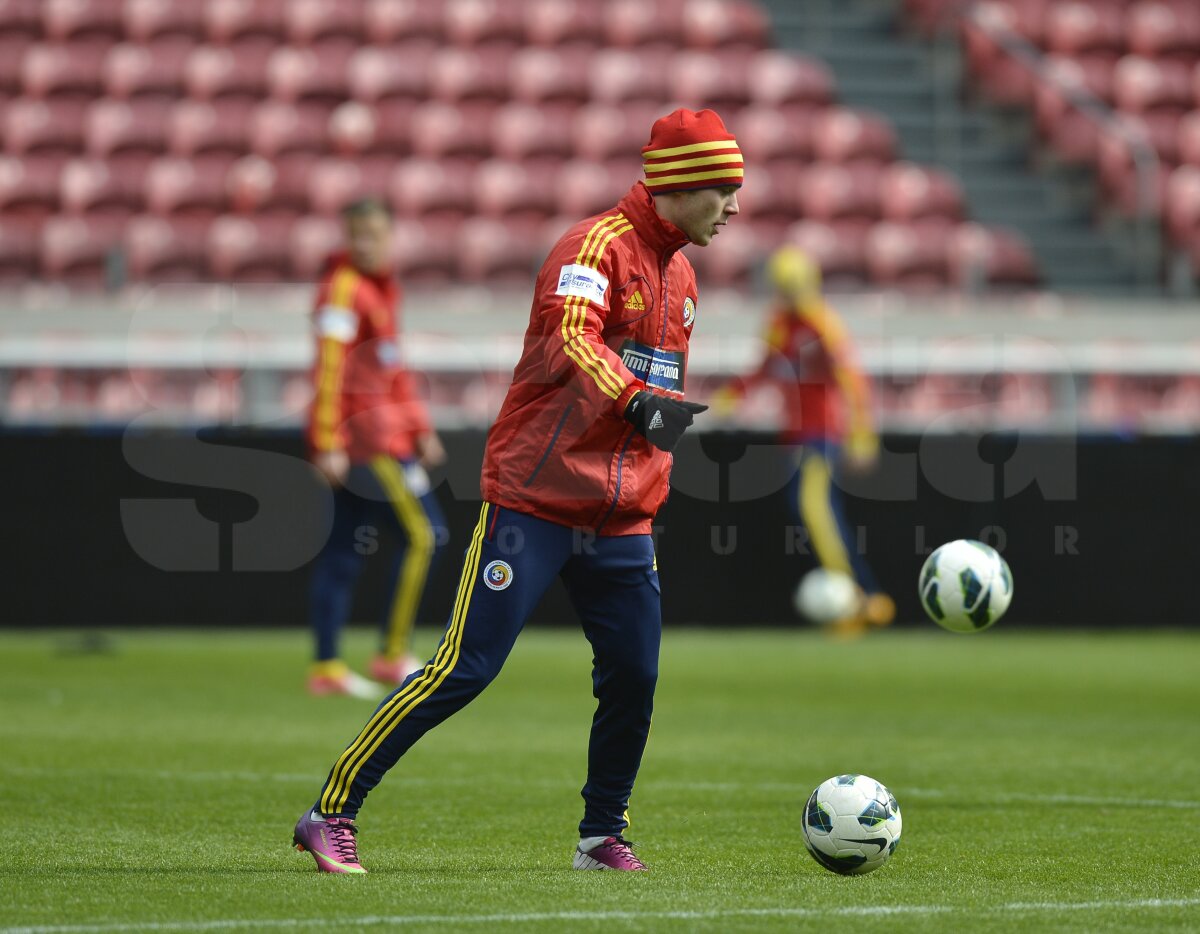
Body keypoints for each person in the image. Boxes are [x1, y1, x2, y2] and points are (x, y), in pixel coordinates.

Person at [292, 108, 742, 873]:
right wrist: (636, 400)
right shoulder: (593, 247)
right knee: (463, 668)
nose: (734, 206)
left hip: (623, 512)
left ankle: (602, 836)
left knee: (635, 675)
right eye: (724, 190)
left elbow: (656, 385)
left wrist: (652, 436)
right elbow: (574, 338)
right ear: (681, 183)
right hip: (534, 501)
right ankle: (330, 810)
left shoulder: (685, 273)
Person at [305, 197, 448, 699]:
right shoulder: (344, 291)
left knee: (344, 551)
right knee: (425, 535)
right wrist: (326, 441)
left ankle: (326, 667)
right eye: (357, 234)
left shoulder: (380, 290)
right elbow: (329, 370)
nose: (365, 243)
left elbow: (391, 368)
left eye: (374, 234)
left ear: (390, 237)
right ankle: (391, 655)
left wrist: (419, 425)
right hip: (369, 442)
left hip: (386, 432)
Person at [716, 246, 895, 635]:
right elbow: (764, 367)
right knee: (813, 513)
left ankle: (860, 598)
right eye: (784, 286)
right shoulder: (779, 322)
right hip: (794, 436)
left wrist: (862, 434)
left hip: (822, 434)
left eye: (794, 285)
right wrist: (728, 398)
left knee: (814, 509)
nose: (790, 292)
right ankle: (862, 596)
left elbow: (853, 380)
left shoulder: (822, 325)